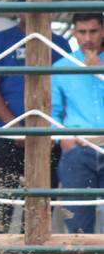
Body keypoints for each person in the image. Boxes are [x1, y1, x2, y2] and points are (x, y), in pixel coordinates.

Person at [0, 0, 72, 233]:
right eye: (26, 3)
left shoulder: (61, 44)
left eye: (38, 2)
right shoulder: (1, 40)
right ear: (18, 6)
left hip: (47, 138)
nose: (32, 9)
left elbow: (68, 90)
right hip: (7, 136)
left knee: (38, 213)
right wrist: (14, 126)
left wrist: (51, 130)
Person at [51, 12, 104, 234]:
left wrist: (99, 71)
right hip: (77, 149)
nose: (87, 38)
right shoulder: (61, 67)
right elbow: (52, 111)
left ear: (103, 31)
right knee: (78, 225)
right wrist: (62, 139)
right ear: (74, 32)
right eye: (82, 32)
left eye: (93, 31)